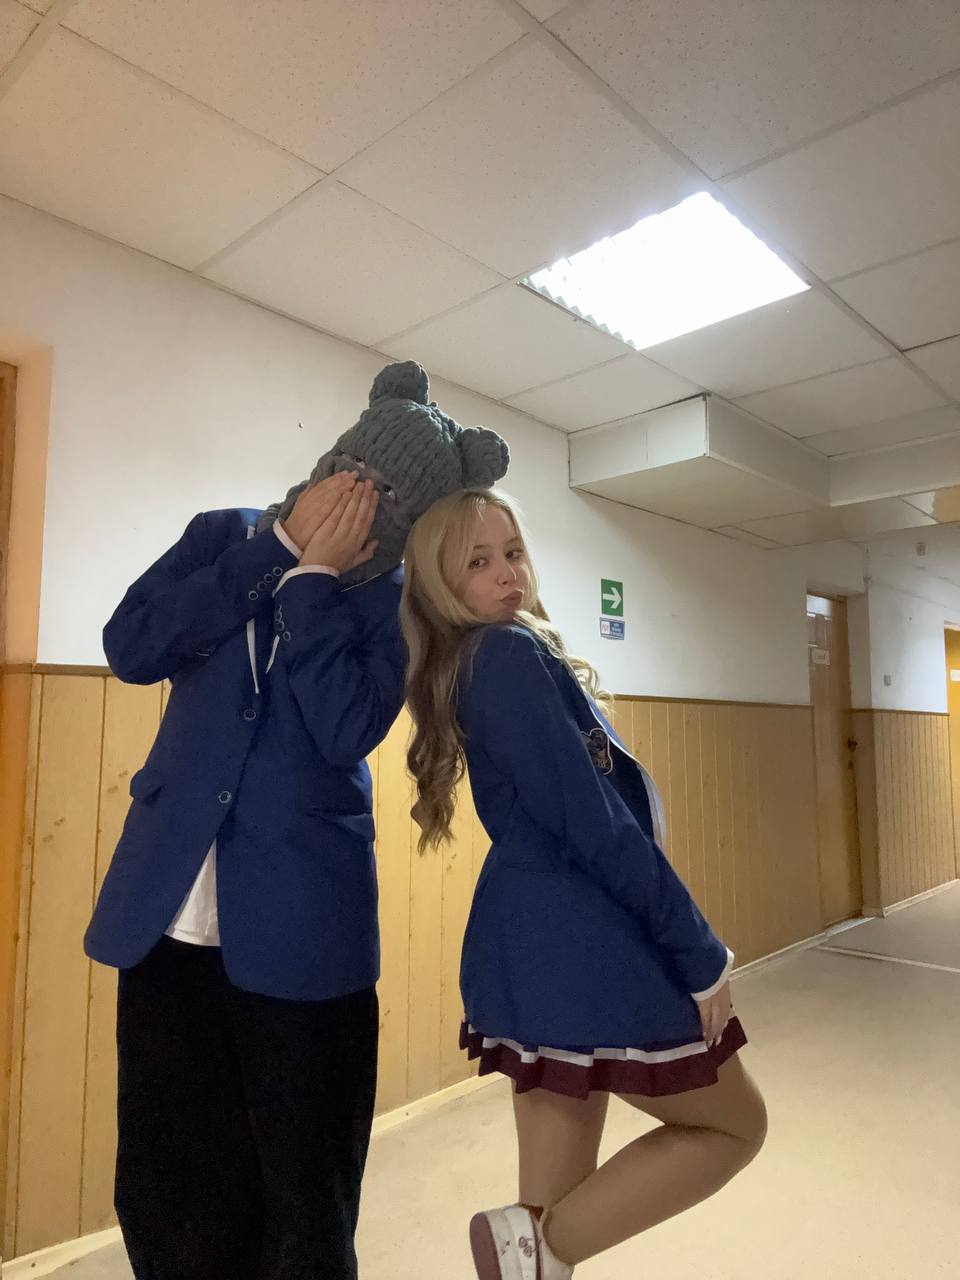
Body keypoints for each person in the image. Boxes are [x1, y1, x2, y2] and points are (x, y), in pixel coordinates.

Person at [83, 362, 509, 1280]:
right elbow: (132, 644)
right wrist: (274, 549)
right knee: (166, 1183)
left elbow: (345, 727)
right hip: (167, 920)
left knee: (304, 1197)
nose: (356, 492)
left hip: (305, 930)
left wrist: (314, 581)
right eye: (351, 465)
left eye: (384, 492)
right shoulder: (225, 536)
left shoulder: (400, 606)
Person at [400, 487, 767, 1280]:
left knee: (543, 1222)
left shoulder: (478, 659)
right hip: (578, 938)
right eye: (478, 562)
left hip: (532, 941)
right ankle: (546, 1246)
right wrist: (698, 951)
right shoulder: (503, 655)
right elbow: (595, 823)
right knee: (737, 1125)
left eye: (513, 553)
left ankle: (538, 1250)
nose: (508, 574)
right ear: (438, 583)